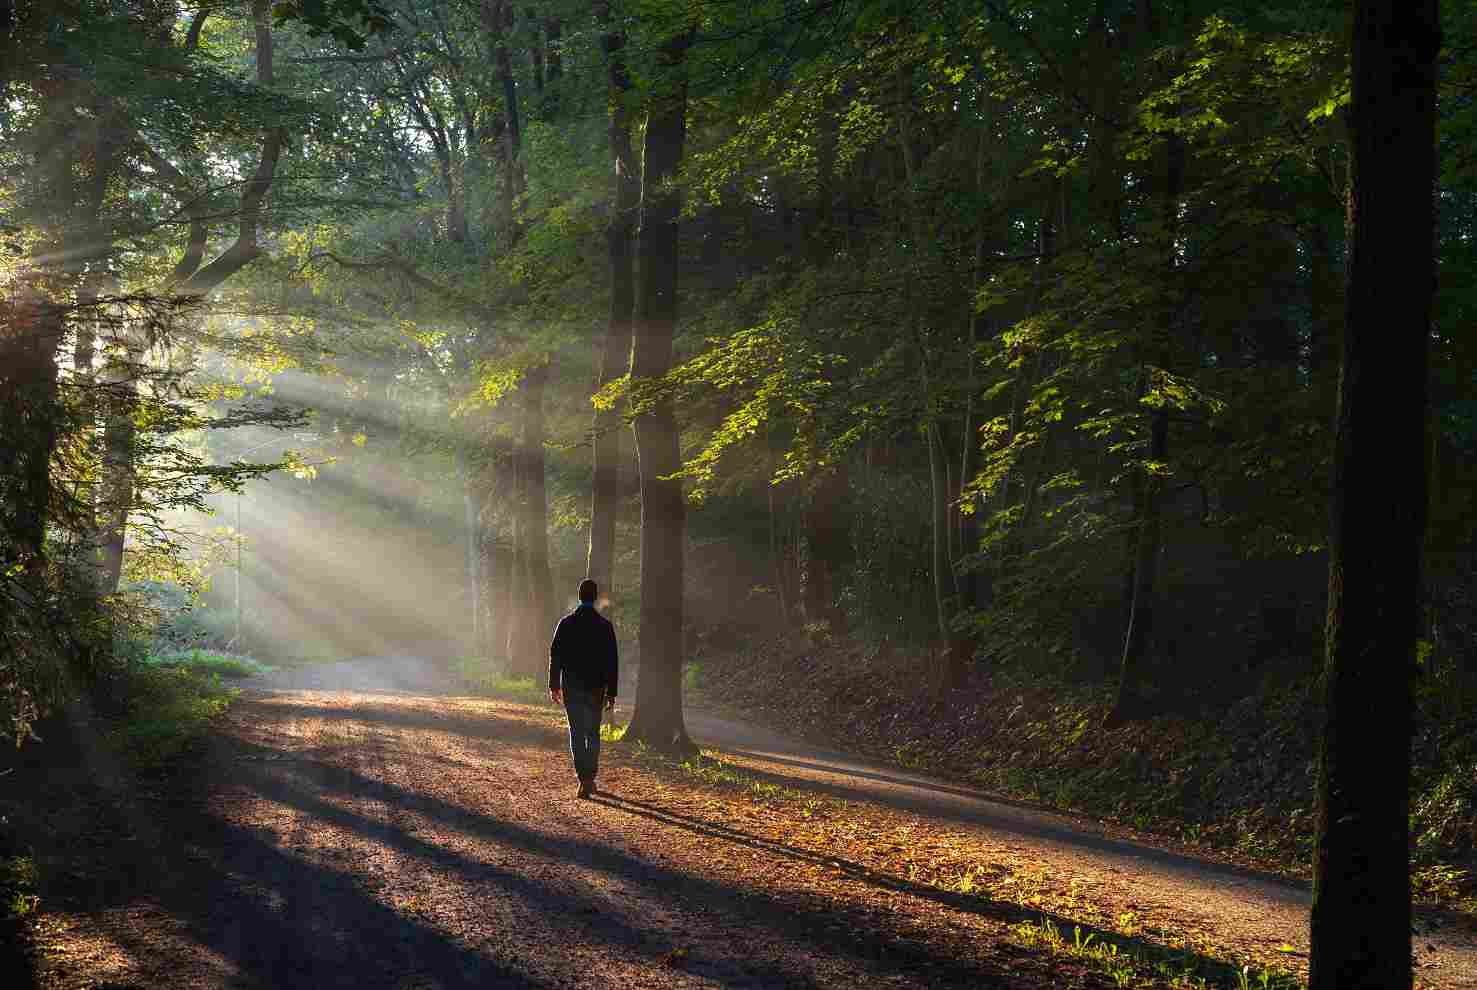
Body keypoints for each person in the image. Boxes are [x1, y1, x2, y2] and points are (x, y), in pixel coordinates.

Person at [548, 578, 618, 799]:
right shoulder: (605, 627)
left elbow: (555, 655)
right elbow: (612, 661)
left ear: (579, 597)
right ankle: (590, 777)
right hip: (596, 688)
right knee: (593, 733)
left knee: (576, 732)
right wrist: (612, 692)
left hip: (572, 687)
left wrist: (553, 685)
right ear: (595, 598)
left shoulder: (566, 624)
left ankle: (583, 779)